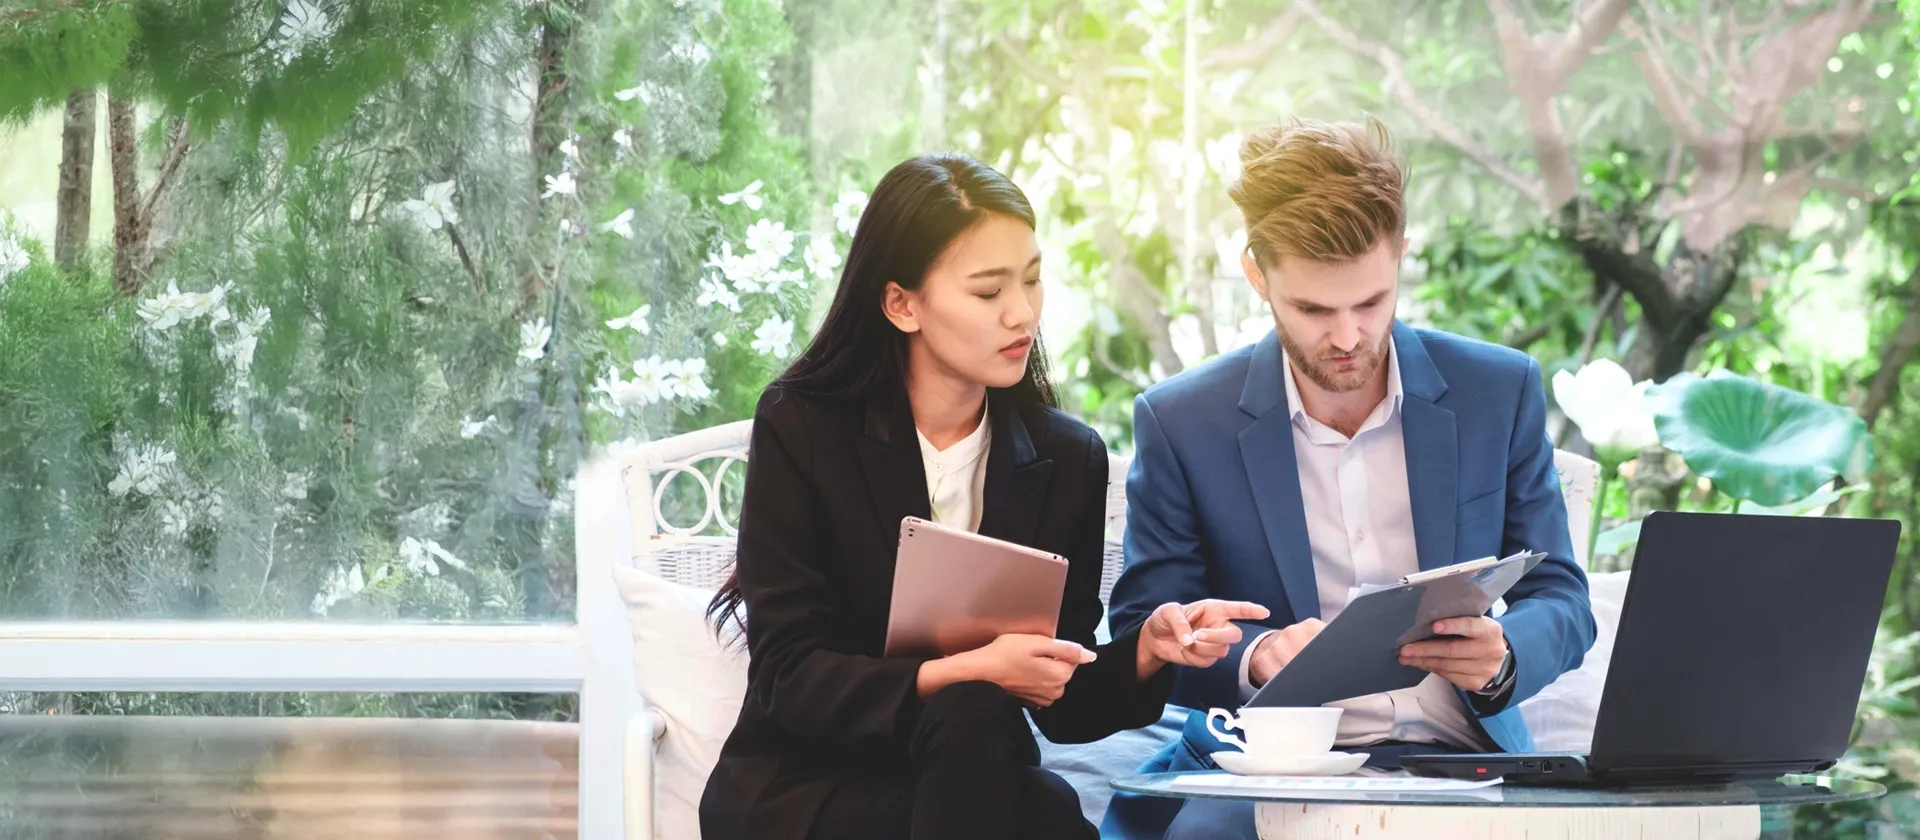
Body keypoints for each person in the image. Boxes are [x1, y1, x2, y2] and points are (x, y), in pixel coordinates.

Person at [697, 153, 1269, 840]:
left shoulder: (1066, 457)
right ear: (901, 304)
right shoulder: (803, 427)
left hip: (967, 771)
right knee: (1030, 793)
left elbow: (1064, 701)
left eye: (1031, 280)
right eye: (988, 291)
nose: (1022, 314)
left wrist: (1148, 647)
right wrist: (967, 670)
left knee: (996, 747)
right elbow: (789, 677)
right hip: (806, 786)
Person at [1102, 117, 1597, 840]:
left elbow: (1562, 598)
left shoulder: (1500, 389)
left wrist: (1503, 656)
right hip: (1263, 768)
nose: (1346, 337)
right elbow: (1142, 628)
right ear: (1257, 275)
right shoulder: (1182, 422)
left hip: (1460, 763)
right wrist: (1254, 656)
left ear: (1400, 255)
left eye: (1371, 303)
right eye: (1312, 309)